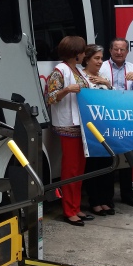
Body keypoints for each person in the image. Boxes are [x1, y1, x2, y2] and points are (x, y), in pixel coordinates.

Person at [46, 36, 95, 226]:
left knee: (79, 168)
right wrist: (66, 90)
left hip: (80, 124)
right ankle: (69, 210)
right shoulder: (60, 71)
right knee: (71, 169)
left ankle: (75, 207)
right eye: (83, 52)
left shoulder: (78, 70)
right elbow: (50, 97)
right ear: (76, 54)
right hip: (68, 125)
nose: (85, 55)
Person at [97, 38, 133, 207]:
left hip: (127, 118)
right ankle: (107, 197)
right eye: (115, 49)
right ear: (110, 50)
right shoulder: (100, 67)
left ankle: (127, 194)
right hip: (106, 118)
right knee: (109, 157)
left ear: (127, 51)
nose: (119, 52)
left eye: (122, 49)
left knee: (127, 156)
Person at [79, 44, 116, 216]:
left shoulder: (103, 77)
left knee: (108, 163)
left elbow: (115, 99)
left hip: (106, 128)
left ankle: (106, 200)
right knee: (93, 166)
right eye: (97, 58)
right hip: (90, 130)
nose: (100, 62)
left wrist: (107, 84)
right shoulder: (82, 78)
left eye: (101, 58)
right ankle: (94, 201)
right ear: (87, 59)